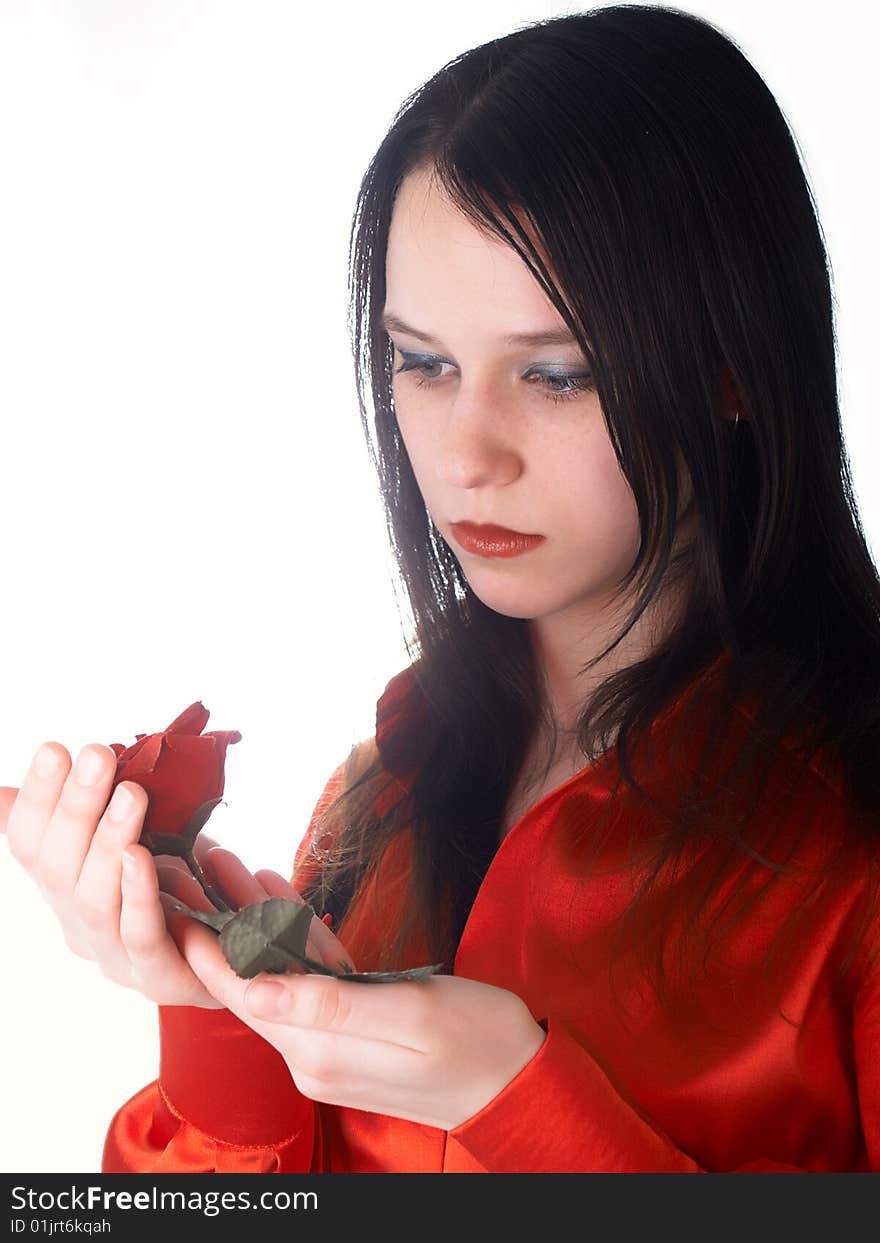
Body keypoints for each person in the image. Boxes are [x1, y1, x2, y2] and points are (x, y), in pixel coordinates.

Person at [3, 3, 880, 1173]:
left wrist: (517, 1099)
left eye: (557, 374)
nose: (467, 452)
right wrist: (215, 1010)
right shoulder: (387, 784)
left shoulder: (849, 839)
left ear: (729, 368)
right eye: (421, 363)